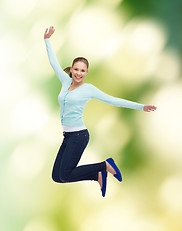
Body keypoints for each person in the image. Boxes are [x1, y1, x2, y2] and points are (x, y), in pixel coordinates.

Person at [44, 26, 156, 197]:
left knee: (65, 174)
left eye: (82, 70)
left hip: (79, 136)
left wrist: (141, 106)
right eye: (76, 69)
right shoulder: (65, 82)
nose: (79, 73)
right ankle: (97, 175)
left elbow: (113, 100)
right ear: (72, 69)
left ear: (86, 72)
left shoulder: (88, 89)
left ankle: (104, 166)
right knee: (57, 177)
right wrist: (47, 40)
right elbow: (53, 63)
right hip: (67, 136)